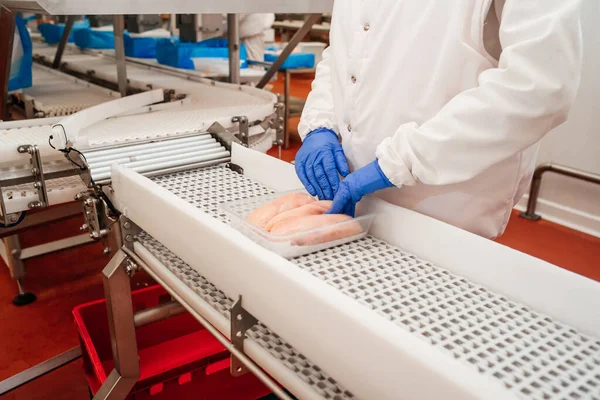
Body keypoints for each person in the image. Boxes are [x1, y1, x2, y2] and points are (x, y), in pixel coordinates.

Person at [295, 0, 583, 239]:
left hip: (442, 203)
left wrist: (403, 162)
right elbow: (345, 49)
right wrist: (321, 122)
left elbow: (539, 87)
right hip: (348, 188)